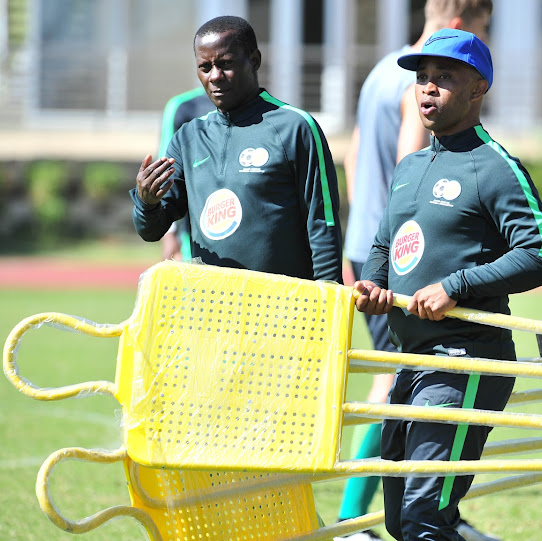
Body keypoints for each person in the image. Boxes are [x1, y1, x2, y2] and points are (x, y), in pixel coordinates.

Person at [353, 29, 542, 541]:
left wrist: (457, 286)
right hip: (413, 362)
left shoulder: (494, 167)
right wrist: (373, 287)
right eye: (422, 78)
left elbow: (541, 255)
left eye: (444, 77)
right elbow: (386, 244)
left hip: (465, 361)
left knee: (425, 519)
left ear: (477, 89)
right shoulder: (409, 167)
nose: (428, 88)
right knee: (404, 522)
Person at [338, 2, 497, 540]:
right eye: (484, 29)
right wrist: (399, 255)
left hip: (369, 248)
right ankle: (360, 516)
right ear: (461, 25)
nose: (427, 87)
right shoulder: (424, 86)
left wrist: (360, 244)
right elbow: (416, 177)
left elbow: (355, 154)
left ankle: (419, 510)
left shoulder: (385, 68)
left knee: (404, 378)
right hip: (406, 255)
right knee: (399, 379)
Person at [131, 16, 342, 284]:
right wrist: (146, 203)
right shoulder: (188, 137)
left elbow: (322, 223)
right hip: (212, 308)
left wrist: (328, 297)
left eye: (226, 64)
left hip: (284, 310)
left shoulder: (295, 127)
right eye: (205, 67)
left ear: (254, 60)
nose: (215, 76)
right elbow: (152, 230)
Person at [157, 87, 214, 261]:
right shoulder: (184, 107)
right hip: (195, 237)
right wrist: (169, 234)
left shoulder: (273, 112)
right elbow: (167, 170)